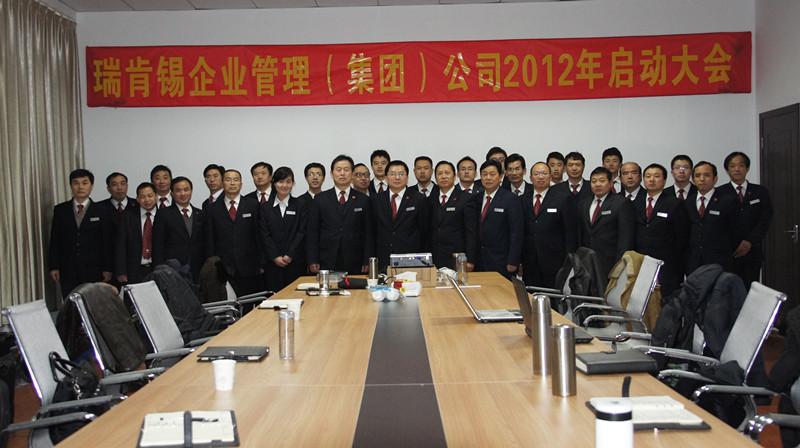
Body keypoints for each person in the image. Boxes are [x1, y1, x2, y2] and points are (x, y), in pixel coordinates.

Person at [49, 169, 113, 299]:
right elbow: (55, 239)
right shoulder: (61, 210)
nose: (80, 187)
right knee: (71, 303)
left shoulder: (102, 210)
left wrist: (108, 268)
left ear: (92, 186)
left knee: (93, 302)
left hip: (94, 268)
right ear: (71, 186)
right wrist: (54, 266)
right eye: (76, 183)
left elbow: (107, 241)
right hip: (68, 268)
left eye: (84, 183)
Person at [307, 155, 375, 274]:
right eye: (338, 170)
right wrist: (313, 259)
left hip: (355, 258)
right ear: (332, 174)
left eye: (346, 170)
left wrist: (367, 260)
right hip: (326, 257)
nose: (342, 173)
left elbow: (369, 233)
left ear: (352, 174)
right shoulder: (320, 199)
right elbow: (312, 232)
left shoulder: (363, 200)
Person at [717, 152, 773, 286]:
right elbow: (718, 223)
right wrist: (735, 244)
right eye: (732, 166)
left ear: (747, 168)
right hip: (728, 253)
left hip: (752, 251)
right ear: (727, 170)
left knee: (750, 288)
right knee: (727, 290)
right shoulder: (719, 193)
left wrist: (748, 242)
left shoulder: (759, 191)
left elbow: (765, 219)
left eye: (741, 165)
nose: (737, 169)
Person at [205, 169, 264, 295]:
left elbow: (258, 235)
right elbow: (210, 239)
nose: (232, 183)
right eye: (228, 180)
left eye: (236, 180)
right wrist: (213, 265)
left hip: (248, 266)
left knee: (249, 302)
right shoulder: (212, 209)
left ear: (241, 184)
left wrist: (261, 262)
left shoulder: (252, 205)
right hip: (222, 267)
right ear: (222, 183)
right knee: (225, 302)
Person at [633, 164, 689, 295]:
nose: (652, 179)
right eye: (648, 176)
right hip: (641, 262)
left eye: (656, 176)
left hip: (667, 264)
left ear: (664, 180)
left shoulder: (675, 204)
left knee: (666, 300)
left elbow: (682, 236)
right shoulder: (635, 203)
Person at [521, 162, 577, 288]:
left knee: (553, 296)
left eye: (544, 173)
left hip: (555, 261)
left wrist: (568, 262)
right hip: (529, 261)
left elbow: (570, 233)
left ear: (550, 177)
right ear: (530, 178)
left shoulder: (562, 199)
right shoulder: (523, 200)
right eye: (537, 174)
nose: (541, 177)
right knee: (531, 295)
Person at [577, 166, 635, 278]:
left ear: (611, 183)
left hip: (610, 261)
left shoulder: (621, 203)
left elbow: (626, 238)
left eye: (602, 181)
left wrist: (620, 265)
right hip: (586, 262)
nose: (597, 184)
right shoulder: (584, 203)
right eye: (594, 181)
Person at [372, 160, 430, 270]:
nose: (397, 177)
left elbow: (424, 231)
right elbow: (372, 230)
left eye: (401, 174)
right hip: (383, 256)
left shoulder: (419, 199)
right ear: (386, 177)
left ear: (407, 178)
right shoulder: (376, 200)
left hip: (410, 256)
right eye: (393, 174)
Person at [259, 167, 308, 291]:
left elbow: (302, 231)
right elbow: (264, 233)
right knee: (274, 296)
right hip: (272, 263)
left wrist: (290, 254)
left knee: (296, 295)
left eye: (288, 181)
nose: (284, 185)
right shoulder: (265, 207)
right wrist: (275, 256)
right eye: (281, 182)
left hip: (295, 262)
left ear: (293, 183)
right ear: (274, 183)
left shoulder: (300, 204)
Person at [684, 161, 738, 274]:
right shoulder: (687, 203)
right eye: (698, 176)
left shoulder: (727, 201)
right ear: (693, 180)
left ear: (715, 179)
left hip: (720, 261)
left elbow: (736, 231)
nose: (702, 179)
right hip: (694, 261)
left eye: (707, 175)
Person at [475, 159, 523, 279]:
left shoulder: (510, 199)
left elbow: (516, 232)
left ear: (501, 176)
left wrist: (513, 260)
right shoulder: (476, 199)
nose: (488, 178)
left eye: (492, 174)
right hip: (479, 259)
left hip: (502, 260)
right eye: (485, 174)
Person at [152, 176, 205, 281]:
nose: (183, 194)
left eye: (186, 189)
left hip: (198, 268)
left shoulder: (201, 214)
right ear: (172, 193)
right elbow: (157, 245)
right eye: (178, 190)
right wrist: (159, 269)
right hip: (172, 269)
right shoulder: (163, 214)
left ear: (191, 191)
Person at [428, 161, 479, 270]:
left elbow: (471, 232)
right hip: (434, 257)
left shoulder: (466, 198)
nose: (443, 176)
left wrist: (470, 259)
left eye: (447, 173)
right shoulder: (430, 199)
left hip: (457, 257)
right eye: (440, 173)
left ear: (455, 176)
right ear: (435, 178)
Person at [115, 182, 159, 285]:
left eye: (150, 196)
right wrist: (121, 271)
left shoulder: (165, 215)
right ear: (137, 199)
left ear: (156, 196)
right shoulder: (128, 216)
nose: (147, 200)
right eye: (142, 197)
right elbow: (121, 244)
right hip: (134, 270)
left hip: (158, 270)